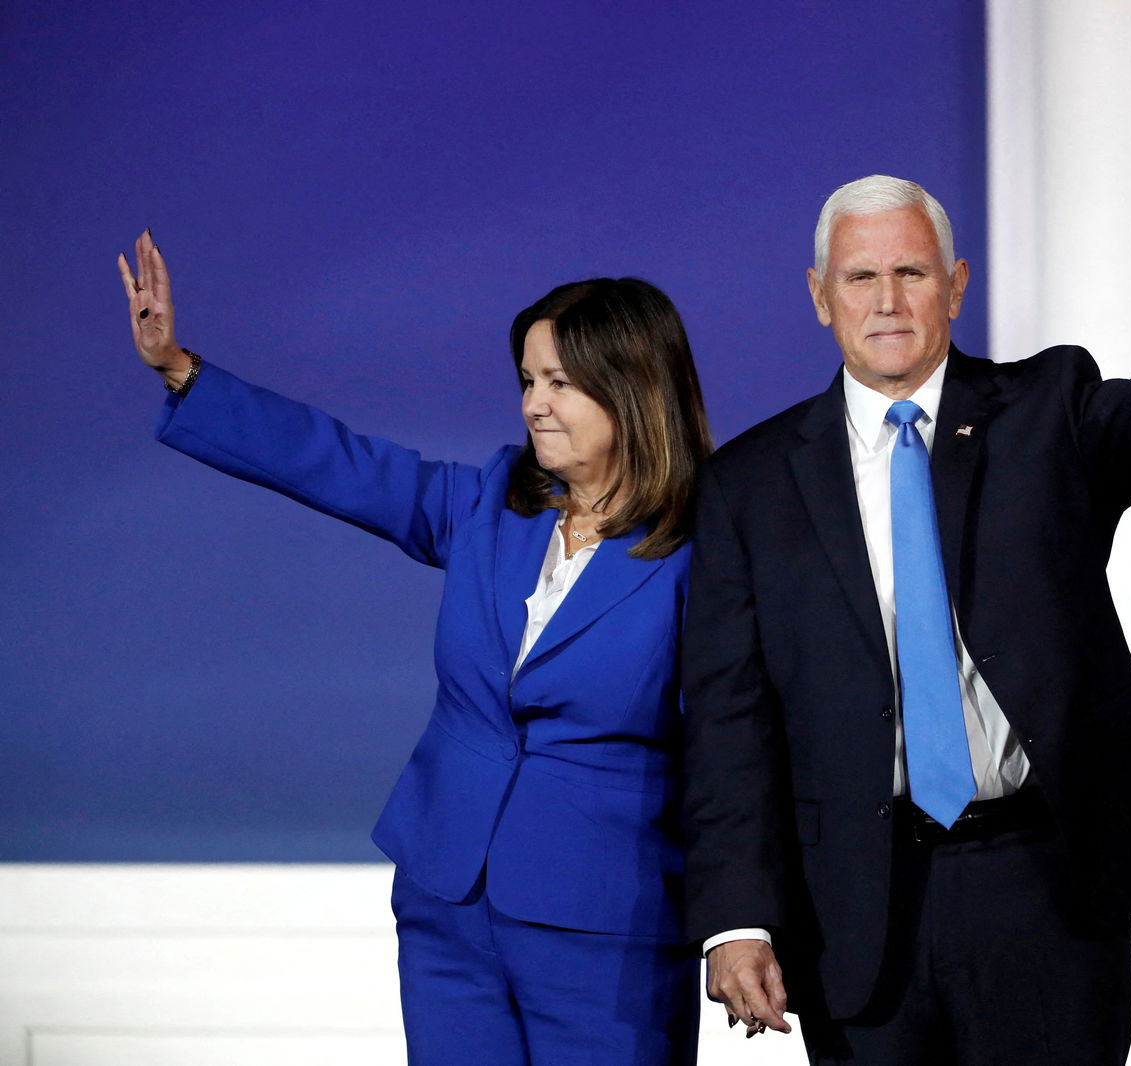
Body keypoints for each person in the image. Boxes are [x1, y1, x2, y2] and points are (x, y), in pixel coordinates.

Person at [681, 104, 1131, 1064]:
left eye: (913, 273)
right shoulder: (749, 486)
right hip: (856, 907)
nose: (887, 300)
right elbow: (728, 723)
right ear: (819, 296)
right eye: (861, 277)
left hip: (1042, 890)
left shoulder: (1045, 414)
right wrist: (736, 915)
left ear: (956, 287)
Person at [116, 232, 712, 1065]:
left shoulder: (704, 549)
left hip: (605, 920)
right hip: (448, 902)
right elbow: (342, 465)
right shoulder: (494, 504)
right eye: (528, 381)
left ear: (633, 389)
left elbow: (736, 747)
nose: (535, 405)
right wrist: (181, 370)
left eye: (561, 383)